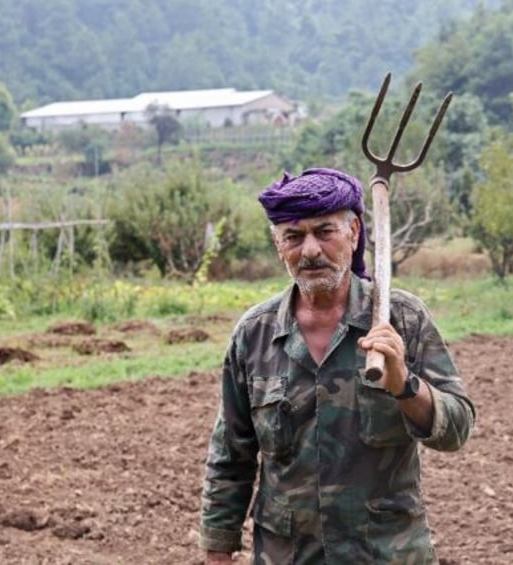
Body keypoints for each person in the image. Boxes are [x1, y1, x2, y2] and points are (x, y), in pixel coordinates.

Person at [199, 167, 476, 564]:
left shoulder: (403, 319)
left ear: (354, 233)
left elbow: (458, 428)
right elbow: (231, 455)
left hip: (385, 553)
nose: (310, 250)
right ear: (278, 246)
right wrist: (217, 552)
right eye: (294, 236)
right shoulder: (254, 335)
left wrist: (405, 386)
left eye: (324, 231)